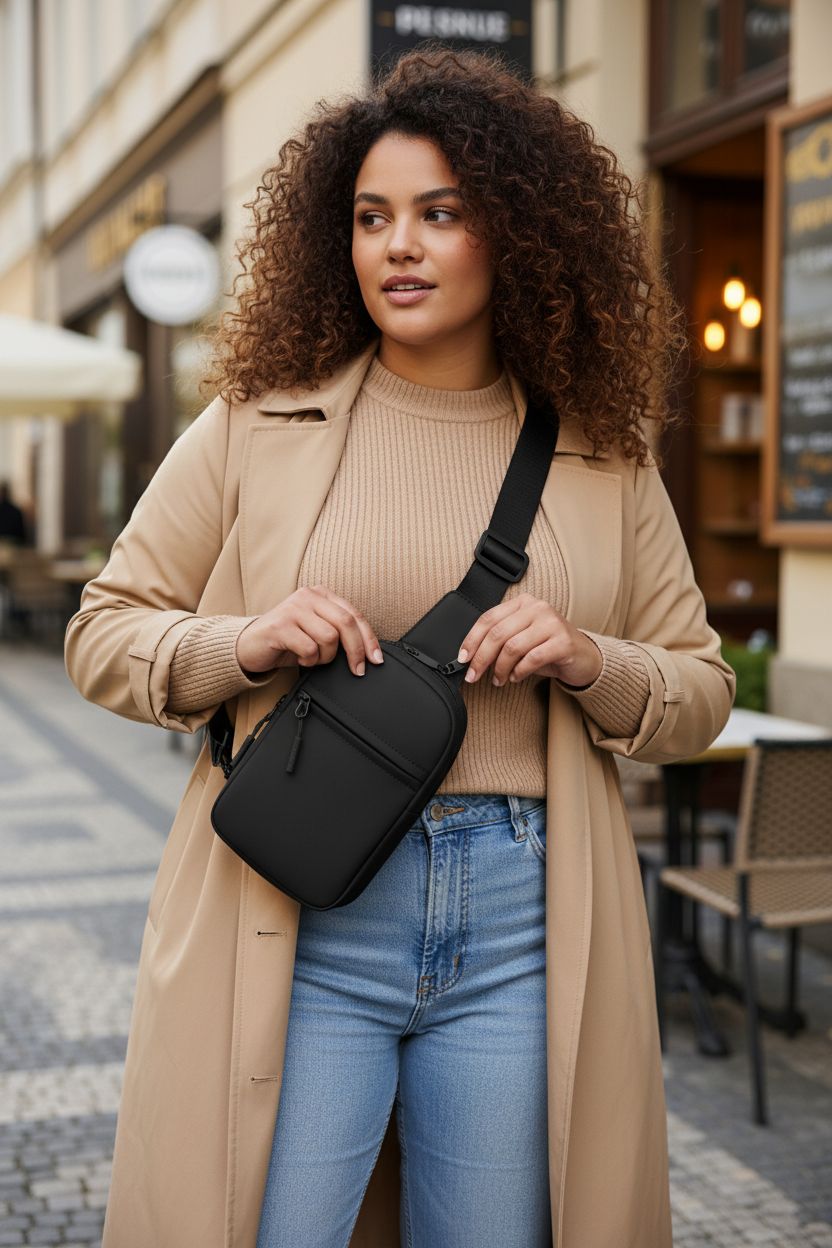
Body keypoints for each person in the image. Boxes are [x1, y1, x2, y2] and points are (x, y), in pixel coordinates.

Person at [64, 44, 735, 1248]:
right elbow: (104, 629)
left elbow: (698, 692)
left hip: (524, 922)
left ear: (518, 236)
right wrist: (246, 641)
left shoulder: (601, 453)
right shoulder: (255, 423)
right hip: (306, 909)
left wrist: (588, 658)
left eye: (439, 213)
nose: (398, 246)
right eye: (372, 217)